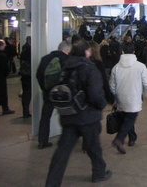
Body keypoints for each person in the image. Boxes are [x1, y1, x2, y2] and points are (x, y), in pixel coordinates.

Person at [45, 40, 111, 186]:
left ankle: (52, 183)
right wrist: (101, 105)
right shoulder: (89, 68)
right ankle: (99, 173)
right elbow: (95, 94)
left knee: (62, 151)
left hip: (68, 115)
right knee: (94, 148)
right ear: (86, 52)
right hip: (87, 117)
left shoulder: (65, 67)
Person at [109, 43, 147, 154]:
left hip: (120, 98)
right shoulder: (140, 66)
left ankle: (132, 138)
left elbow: (112, 86)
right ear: (134, 52)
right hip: (135, 97)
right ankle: (119, 139)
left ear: (122, 52)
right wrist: (146, 92)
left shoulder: (116, 68)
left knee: (126, 117)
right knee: (130, 119)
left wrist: (114, 99)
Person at [36, 40, 71, 149]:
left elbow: (39, 75)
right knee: (67, 117)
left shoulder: (45, 58)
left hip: (48, 93)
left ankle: (42, 141)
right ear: (67, 50)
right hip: (63, 94)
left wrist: (45, 89)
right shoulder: (66, 60)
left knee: (45, 117)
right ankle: (66, 140)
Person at [0, 39, 15, 115]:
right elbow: (5, 68)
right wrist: (6, 74)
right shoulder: (2, 56)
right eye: (4, 45)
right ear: (0, 46)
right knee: (2, 94)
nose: (5, 46)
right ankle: (5, 109)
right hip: (0, 78)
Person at [19, 36, 32, 118]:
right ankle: (26, 112)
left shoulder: (24, 48)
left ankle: (25, 111)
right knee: (27, 93)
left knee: (25, 93)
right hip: (28, 74)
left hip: (24, 74)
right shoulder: (29, 50)